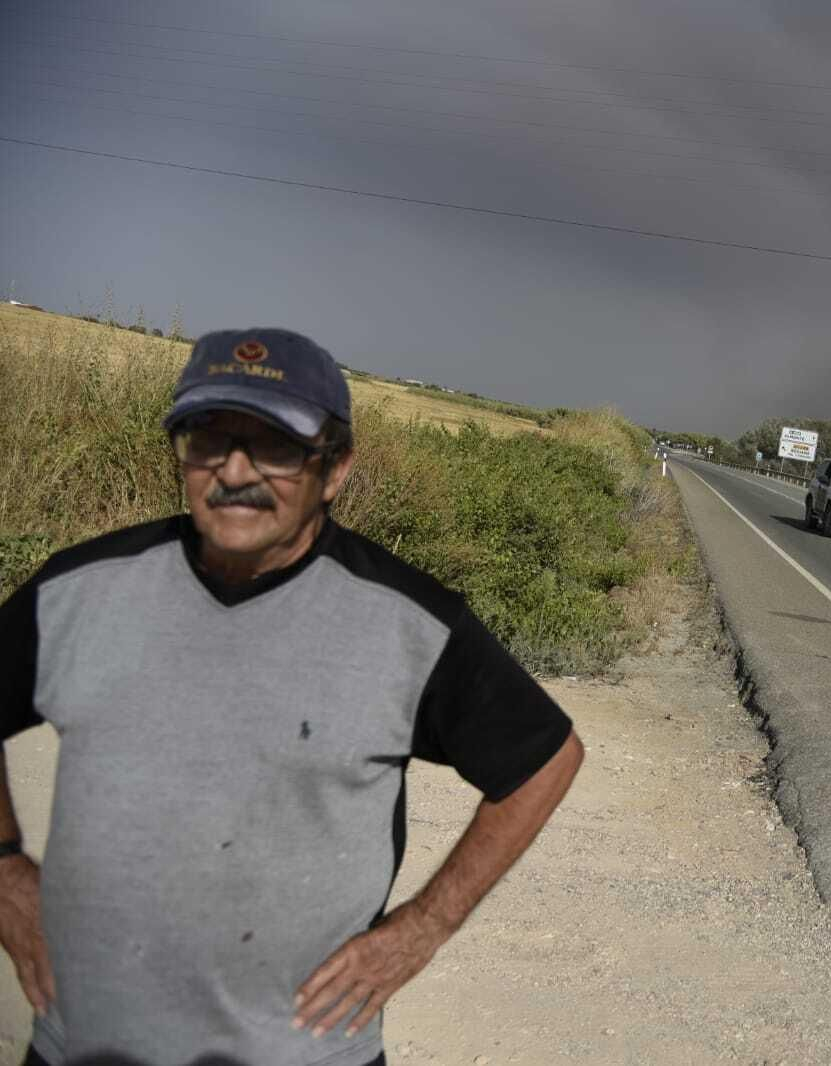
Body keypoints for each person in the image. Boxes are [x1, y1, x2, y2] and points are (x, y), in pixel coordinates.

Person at [0, 329, 584, 1065]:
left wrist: (423, 928)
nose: (234, 471)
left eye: (275, 447)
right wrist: (5, 872)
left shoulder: (408, 624)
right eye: (209, 439)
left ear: (334, 469)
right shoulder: (80, 592)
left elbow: (545, 760)